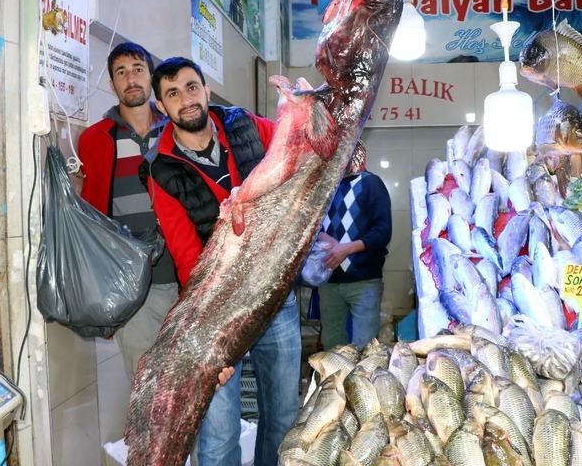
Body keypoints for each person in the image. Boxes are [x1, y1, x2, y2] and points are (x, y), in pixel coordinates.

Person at [145, 56, 301, 466]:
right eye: (173, 94)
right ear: (161, 107)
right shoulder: (161, 170)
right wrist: (215, 338)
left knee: (284, 417)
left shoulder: (245, 125)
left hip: (274, 297)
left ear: (207, 90)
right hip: (213, 312)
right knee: (216, 435)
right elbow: (186, 257)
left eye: (192, 87)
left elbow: (296, 147)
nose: (186, 99)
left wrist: (304, 110)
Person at [77, 43, 233, 389]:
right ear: (112, 83)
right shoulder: (95, 140)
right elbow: (90, 221)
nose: (130, 78)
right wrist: (104, 298)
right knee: (147, 386)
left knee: (198, 383)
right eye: (121, 72)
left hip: (188, 278)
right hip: (133, 289)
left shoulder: (179, 129)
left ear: (151, 78)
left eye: (137, 69)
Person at [318, 146, 392, 350]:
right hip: (329, 281)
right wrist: (322, 236)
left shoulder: (371, 184)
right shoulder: (327, 186)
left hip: (364, 281)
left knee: (365, 347)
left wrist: (346, 249)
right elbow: (311, 226)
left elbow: (383, 232)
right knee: (332, 346)